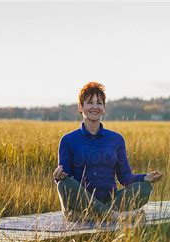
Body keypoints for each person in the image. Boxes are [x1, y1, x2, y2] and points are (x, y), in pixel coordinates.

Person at [53, 81, 163, 222]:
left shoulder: (116, 139)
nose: (95, 107)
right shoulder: (68, 140)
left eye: (99, 103)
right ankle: (114, 216)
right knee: (64, 184)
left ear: (104, 108)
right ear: (81, 107)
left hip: (111, 200)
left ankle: (94, 215)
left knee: (145, 188)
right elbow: (66, 179)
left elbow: (125, 178)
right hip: (83, 202)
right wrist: (58, 177)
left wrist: (145, 177)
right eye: (89, 102)